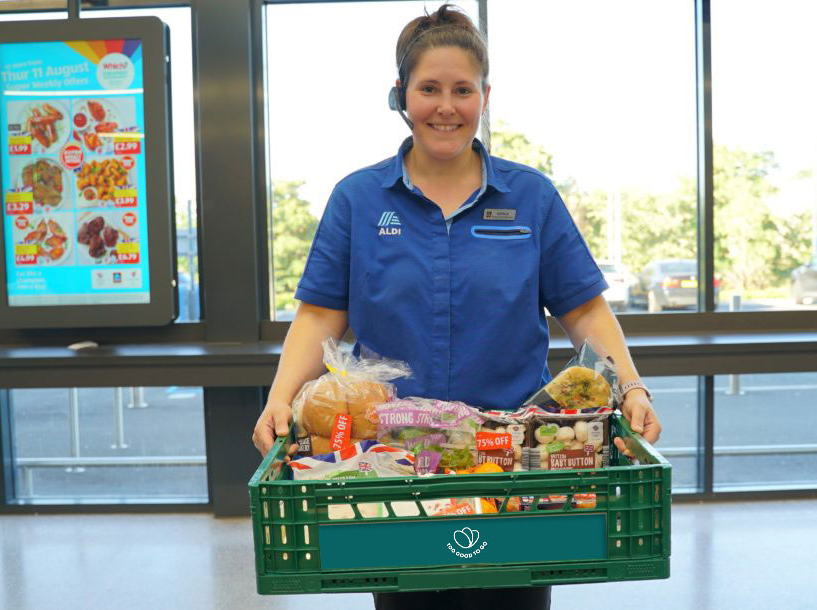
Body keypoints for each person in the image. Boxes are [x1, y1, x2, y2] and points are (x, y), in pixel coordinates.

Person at [252, 4, 662, 609]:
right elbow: (320, 315)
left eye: (463, 90)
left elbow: (584, 310)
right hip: (392, 467)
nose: (447, 106)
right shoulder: (358, 200)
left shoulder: (530, 198)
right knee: (407, 599)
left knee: (514, 600)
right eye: (429, 89)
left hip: (514, 461)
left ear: (485, 96)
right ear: (400, 95)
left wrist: (632, 386)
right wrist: (280, 398)